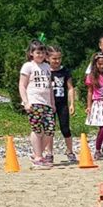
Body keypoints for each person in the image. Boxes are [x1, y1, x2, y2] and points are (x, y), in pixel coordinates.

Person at [18, 39, 56, 169]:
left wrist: (52, 103)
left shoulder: (47, 67)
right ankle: (38, 157)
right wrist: (26, 102)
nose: (40, 55)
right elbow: (22, 85)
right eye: (38, 52)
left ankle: (36, 154)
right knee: (37, 129)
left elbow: (50, 87)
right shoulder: (28, 66)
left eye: (43, 52)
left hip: (47, 103)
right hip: (34, 101)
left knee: (50, 130)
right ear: (31, 53)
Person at [46, 45, 76, 163]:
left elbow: (70, 88)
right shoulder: (45, 70)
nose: (57, 61)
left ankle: (70, 151)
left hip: (62, 104)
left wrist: (72, 103)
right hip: (49, 104)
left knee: (65, 128)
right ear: (48, 58)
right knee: (49, 129)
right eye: (54, 58)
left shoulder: (65, 71)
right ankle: (49, 153)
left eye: (59, 58)